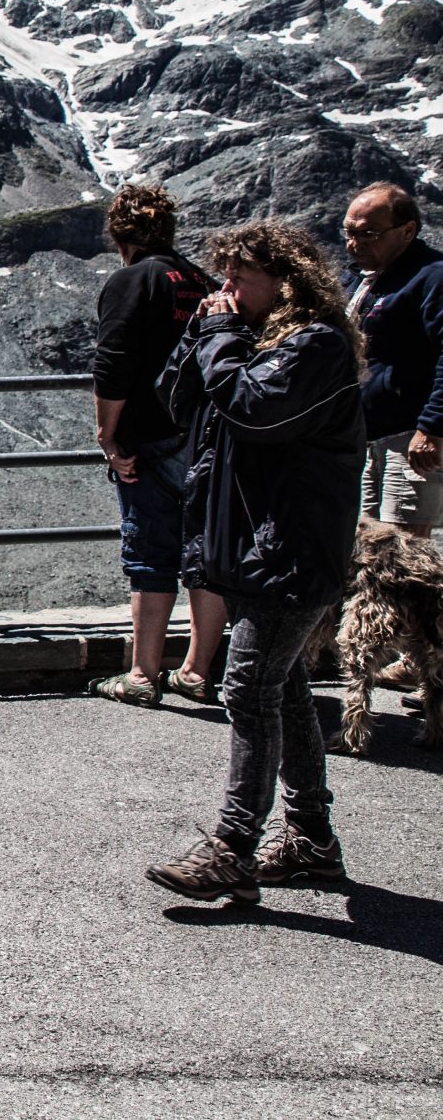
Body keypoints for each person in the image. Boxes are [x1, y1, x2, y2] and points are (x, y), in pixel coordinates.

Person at [146, 221, 365, 904]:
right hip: (250, 547)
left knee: (247, 689)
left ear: (285, 281)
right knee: (283, 689)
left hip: (290, 548)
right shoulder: (249, 340)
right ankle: (312, 840)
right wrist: (203, 334)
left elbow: (255, 411)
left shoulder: (316, 345)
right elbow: (175, 401)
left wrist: (220, 338)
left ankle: (234, 848)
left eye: (241, 278)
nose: (228, 289)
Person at [89, 184, 224, 706]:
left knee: (149, 553)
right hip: (207, 438)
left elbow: (113, 363)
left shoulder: (131, 280)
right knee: (206, 551)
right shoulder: (201, 281)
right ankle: (196, 670)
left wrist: (108, 435)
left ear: (118, 235)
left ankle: (143, 675)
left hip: (149, 438)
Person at [342, 182, 443, 538]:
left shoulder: (432, 277)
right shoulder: (360, 278)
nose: (355, 244)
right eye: (349, 233)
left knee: (405, 546)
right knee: (366, 543)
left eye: (368, 234)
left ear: (408, 230)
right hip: (366, 434)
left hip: (413, 437)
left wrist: (432, 427)